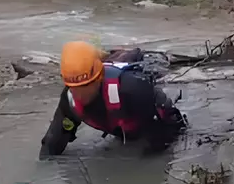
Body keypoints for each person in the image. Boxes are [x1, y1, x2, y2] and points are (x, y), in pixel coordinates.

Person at [40, 41, 187, 156]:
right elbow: (52, 145)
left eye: (86, 87)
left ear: (99, 78)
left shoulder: (131, 89)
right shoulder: (70, 102)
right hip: (123, 124)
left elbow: (165, 135)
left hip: (153, 114)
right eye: (75, 88)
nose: (80, 94)